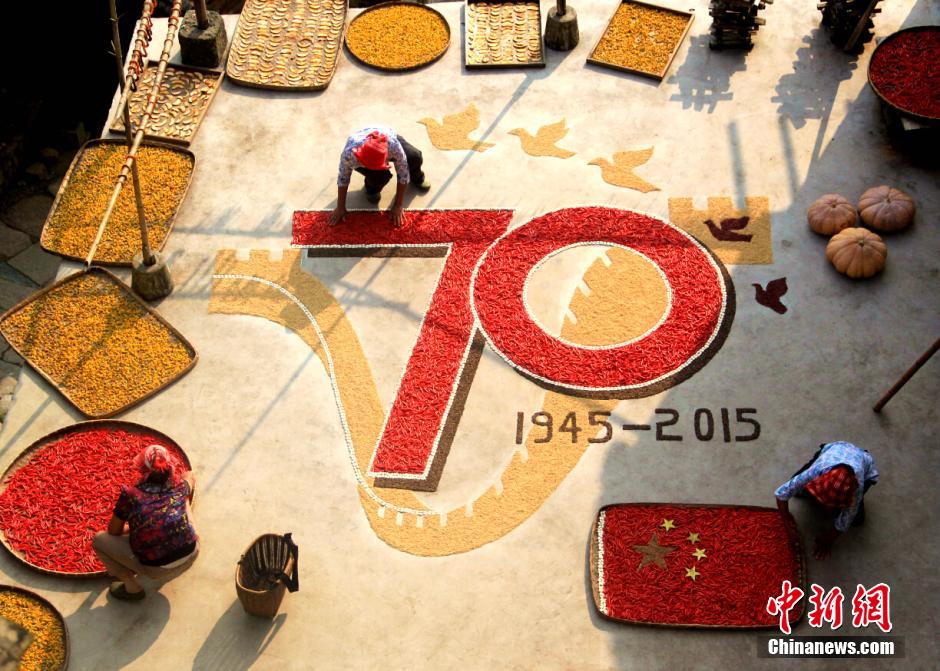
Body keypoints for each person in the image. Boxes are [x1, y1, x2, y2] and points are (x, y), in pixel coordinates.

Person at [93, 445, 199, 601]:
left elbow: (114, 531)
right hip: (192, 553)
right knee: (184, 503)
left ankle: (132, 588)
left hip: (156, 569)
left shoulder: (131, 495)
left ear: (143, 469)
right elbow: (190, 475)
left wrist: (138, 526)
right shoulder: (180, 486)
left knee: (99, 540)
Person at [775, 441, 878, 560]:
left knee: (857, 520)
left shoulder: (856, 489)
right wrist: (788, 527)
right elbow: (781, 494)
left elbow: (845, 521)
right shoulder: (816, 471)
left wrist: (828, 540)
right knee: (796, 486)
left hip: (863, 462)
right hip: (835, 449)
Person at [329, 126, 431, 228]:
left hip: (389, 136)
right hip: (360, 148)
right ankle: (372, 189)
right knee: (379, 176)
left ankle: (417, 177)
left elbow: (403, 173)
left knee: (414, 157)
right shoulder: (349, 155)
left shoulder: (394, 147)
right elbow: (343, 178)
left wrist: (398, 205)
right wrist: (340, 206)